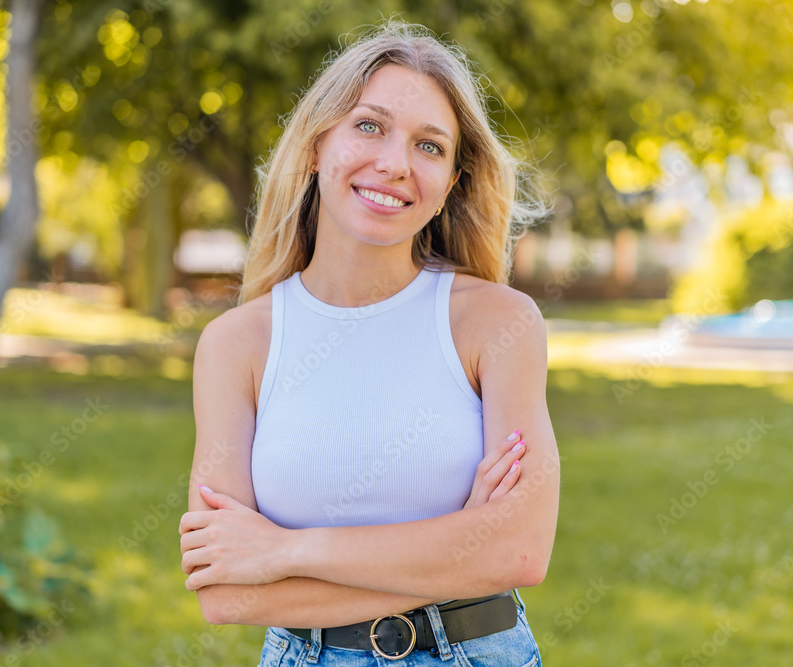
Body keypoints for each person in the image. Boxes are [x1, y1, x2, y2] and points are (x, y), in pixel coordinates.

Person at [178, 19, 560, 666]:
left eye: (430, 146)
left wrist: (284, 551)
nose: (395, 164)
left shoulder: (499, 323)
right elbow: (226, 593)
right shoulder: (237, 344)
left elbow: (519, 551)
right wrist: (458, 550)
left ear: (452, 183)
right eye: (369, 126)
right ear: (315, 146)